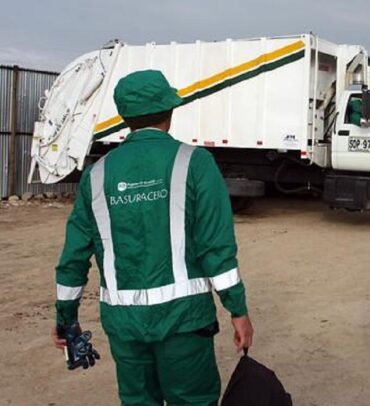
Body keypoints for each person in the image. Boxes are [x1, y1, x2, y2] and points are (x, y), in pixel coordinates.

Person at [50, 70, 254, 405]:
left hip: (124, 326)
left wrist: (66, 320)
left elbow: (73, 257)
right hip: (185, 322)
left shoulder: (97, 174)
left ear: (125, 116)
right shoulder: (196, 163)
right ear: (170, 111)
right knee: (193, 400)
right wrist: (237, 309)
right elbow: (216, 249)